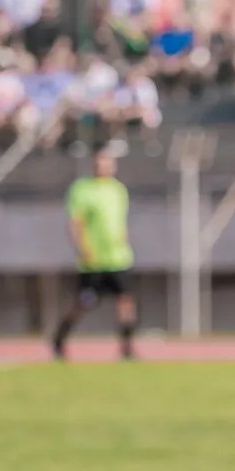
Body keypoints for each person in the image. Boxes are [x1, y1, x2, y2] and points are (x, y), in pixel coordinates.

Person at [53, 148, 138, 361]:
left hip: (118, 258)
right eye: (100, 163)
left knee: (125, 301)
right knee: (83, 303)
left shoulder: (118, 190)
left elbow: (119, 220)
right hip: (93, 261)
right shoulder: (82, 189)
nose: (104, 167)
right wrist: (82, 248)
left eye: (108, 163)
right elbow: (76, 221)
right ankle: (59, 339)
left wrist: (123, 237)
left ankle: (127, 348)